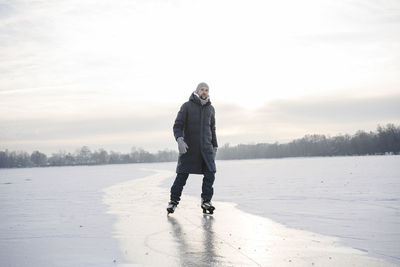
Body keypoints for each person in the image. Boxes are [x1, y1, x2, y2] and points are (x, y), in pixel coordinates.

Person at [166, 82, 218, 214]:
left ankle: (206, 201)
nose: (204, 92)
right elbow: (177, 125)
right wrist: (179, 140)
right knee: (181, 176)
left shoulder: (211, 109)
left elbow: (212, 129)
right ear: (197, 91)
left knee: (210, 175)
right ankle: (173, 202)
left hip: (206, 148)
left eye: (206, 90)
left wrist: (215, 146)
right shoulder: (187, 106)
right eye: (202, 89)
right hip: (189, 148)